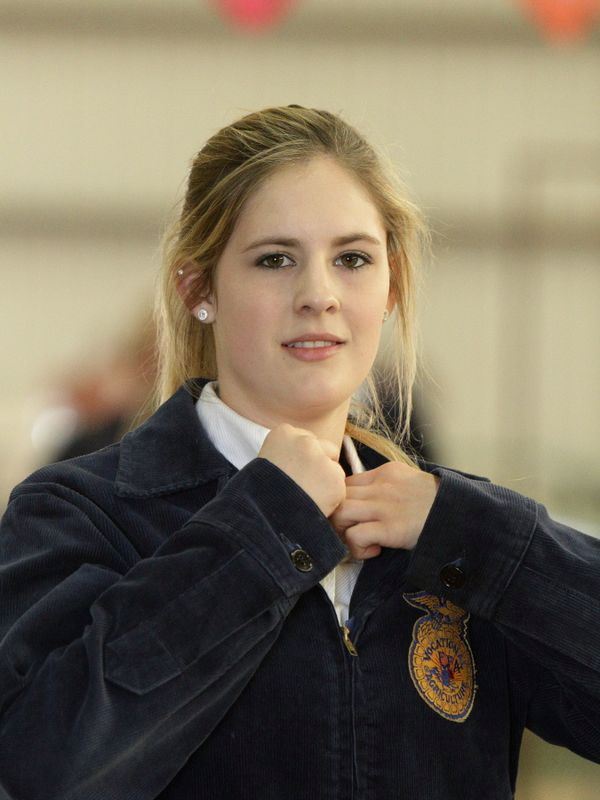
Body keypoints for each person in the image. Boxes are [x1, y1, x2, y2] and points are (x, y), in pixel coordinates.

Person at [0, 105, 598, 800]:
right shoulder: (81, 514)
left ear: (392, 288)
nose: (319, 295)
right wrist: (263, 528)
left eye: (353, 259)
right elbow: (41, 769)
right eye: (275, 259)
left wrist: (478, 538)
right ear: (200, 289)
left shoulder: (451, 543)